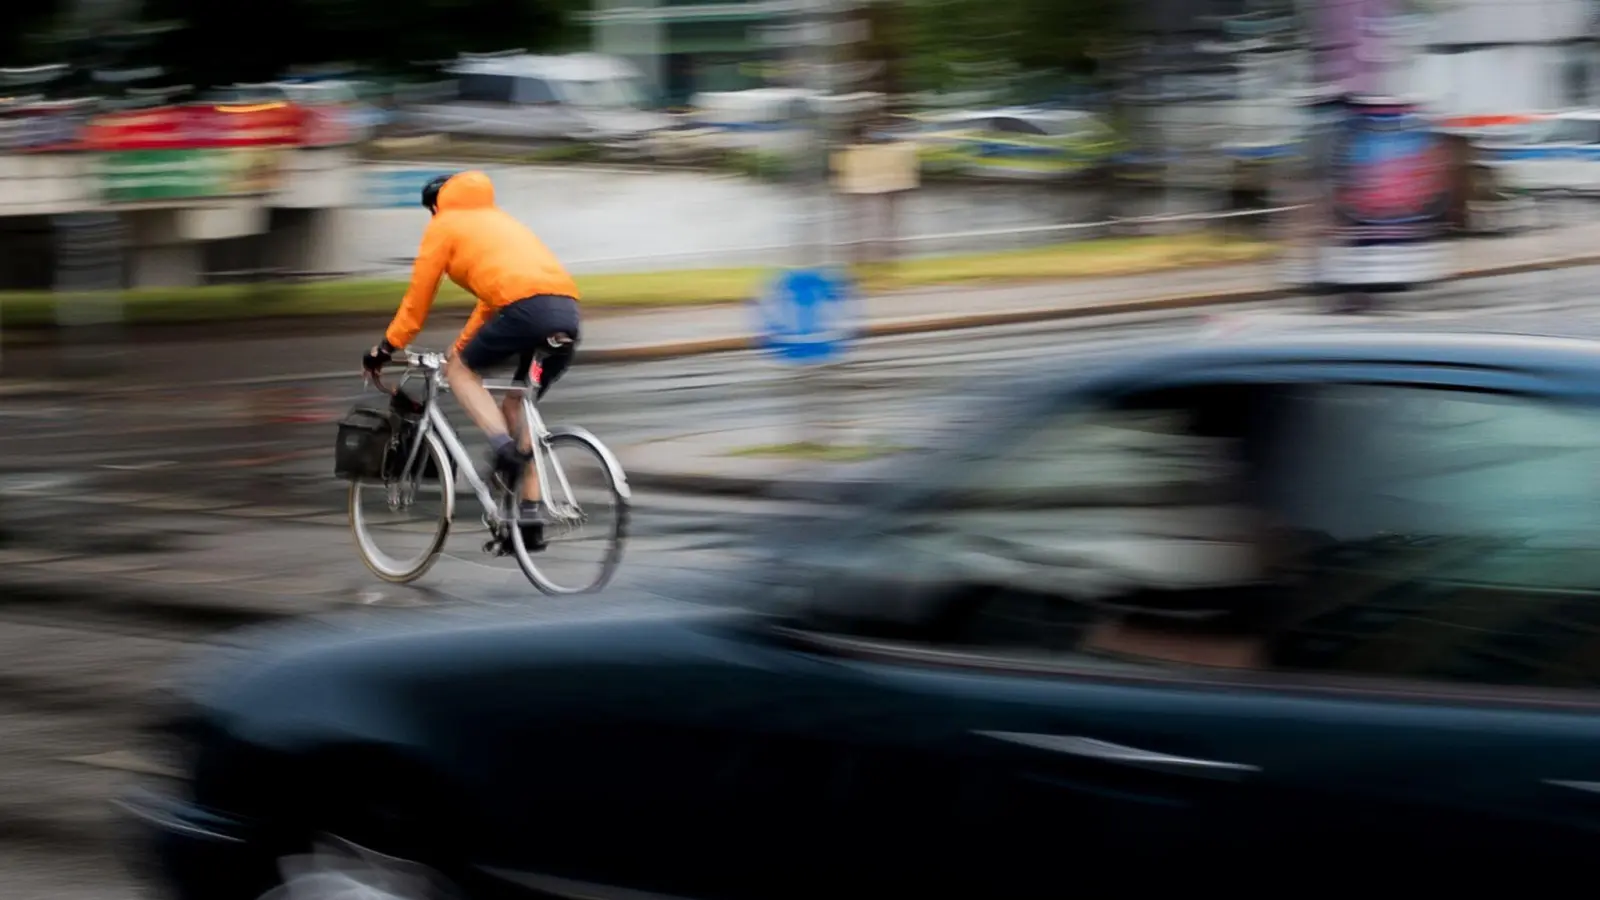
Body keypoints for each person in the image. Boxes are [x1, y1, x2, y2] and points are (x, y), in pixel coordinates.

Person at [361, 170, 581, 549]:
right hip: (566, 314)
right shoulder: (498, 221)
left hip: (524, 311)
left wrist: (387, 346)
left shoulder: (443, 226)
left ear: (435, 205)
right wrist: (459, 348)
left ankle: (503, 452)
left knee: (460, 375)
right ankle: (529, 522)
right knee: (517, 404)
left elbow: (418, 300)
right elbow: (490, 302)